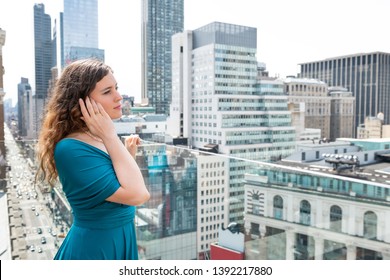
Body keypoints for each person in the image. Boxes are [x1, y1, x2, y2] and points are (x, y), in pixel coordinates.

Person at [36, 58, 150, 260]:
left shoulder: (98, 138)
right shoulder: (70, 149)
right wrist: (110, 135)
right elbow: (138, 195)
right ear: (81, 102)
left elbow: (117, 186)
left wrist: (126, 152)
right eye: (107, 92)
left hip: (120, 240)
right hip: (94, 249)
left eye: (116, 88)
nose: (119, 97)